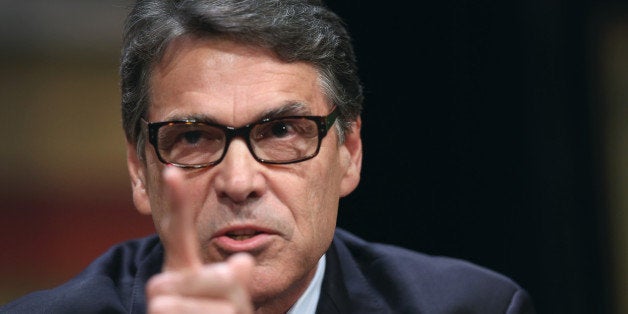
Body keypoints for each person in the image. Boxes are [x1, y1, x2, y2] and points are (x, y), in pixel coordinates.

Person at [1, 0, 536, 313]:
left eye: (282, 130)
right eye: (193, 137)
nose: (239, 181)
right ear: (140, 171)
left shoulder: (476, 307)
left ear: (348, 152)